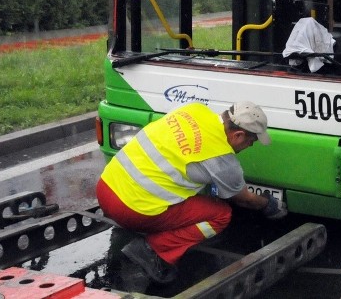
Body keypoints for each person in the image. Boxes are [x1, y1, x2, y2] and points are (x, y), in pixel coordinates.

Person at [96, 101, 287, 284]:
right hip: (132, 210)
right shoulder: (223, 160)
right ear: (238, 136)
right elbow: (244, 200)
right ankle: (153, 250)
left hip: (105, 188)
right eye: (251, 142)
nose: (249, 147)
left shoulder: (194, 110)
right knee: (221, 215)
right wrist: (268, 204)